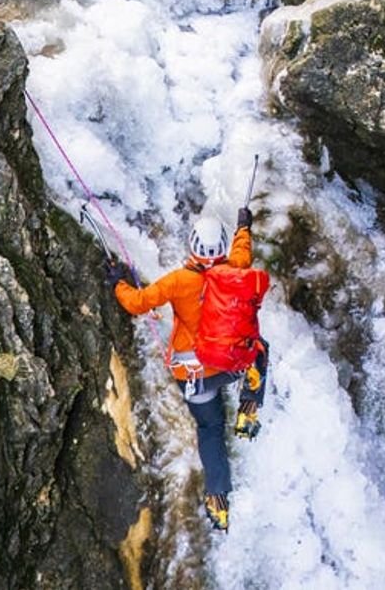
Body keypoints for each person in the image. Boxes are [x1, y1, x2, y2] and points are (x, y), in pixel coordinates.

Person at [106, 207, 268, 532]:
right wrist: (243, 227)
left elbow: (138, 303)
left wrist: (117, 284)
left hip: (193, 374)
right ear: (221, 248)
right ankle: (249, 407)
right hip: (232, 364)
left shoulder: (179, 282)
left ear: (191, 246)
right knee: (260, 349)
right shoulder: (234, 269)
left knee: (210, 430)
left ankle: (217, 500)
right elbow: (241, 253)